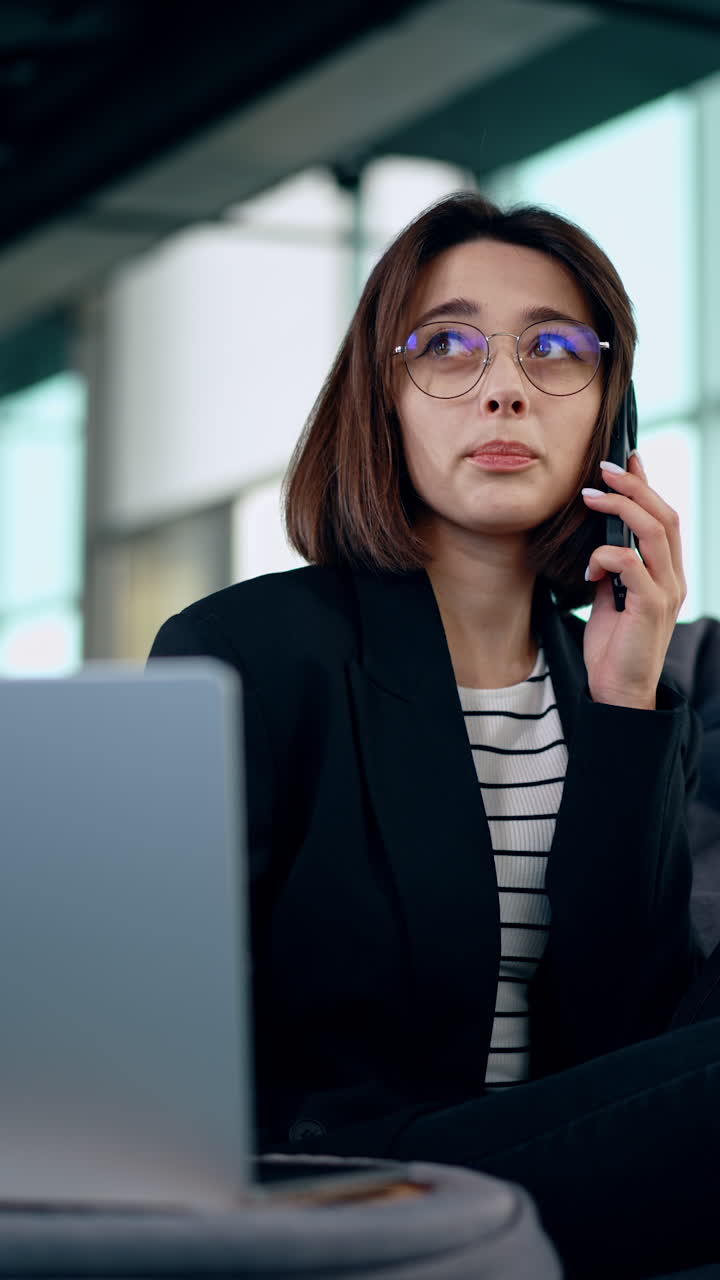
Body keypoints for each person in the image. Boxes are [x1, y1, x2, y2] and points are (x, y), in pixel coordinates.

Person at [148, 192, 720, 1278]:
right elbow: (161, 1030)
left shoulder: (614, 672)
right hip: (345, 1171)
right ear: (384, 399)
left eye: (557, 348)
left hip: (562, 1155)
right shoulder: (249, 650)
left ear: (613, 416)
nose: (504, 384)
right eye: (447, 345)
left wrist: (625, 709)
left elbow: (623, 1031)